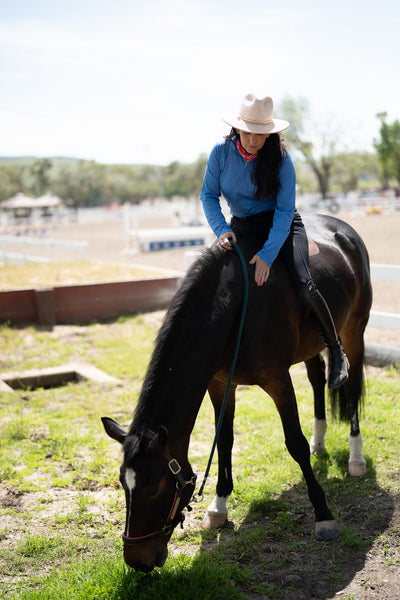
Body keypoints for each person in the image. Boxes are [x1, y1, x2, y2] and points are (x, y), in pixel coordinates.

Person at [200, 93, 349, 389]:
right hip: (241, 227)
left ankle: (335, 349)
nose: (254, 140)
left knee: (304, 281)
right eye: (248, 132)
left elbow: (283, 211)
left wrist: (268, 255)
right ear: (237, 129)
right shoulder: (220, 152)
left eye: (261, 134)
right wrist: (221, 229)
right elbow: (208, 195)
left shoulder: (281, 159)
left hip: (281, 225)